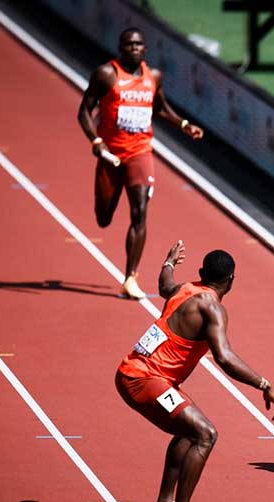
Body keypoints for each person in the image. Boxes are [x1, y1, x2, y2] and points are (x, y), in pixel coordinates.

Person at [115, 241, 274, 502]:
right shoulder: (212, 307)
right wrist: (264, 384)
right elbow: (225, 358)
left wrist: (168, 262)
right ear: (231, 280)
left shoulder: (185, 289)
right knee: (205, 434)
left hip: (138, 373)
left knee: (188, 430)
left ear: (202, 273)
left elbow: (165, 285)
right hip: (146, 379)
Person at [78, 28, 204, 300]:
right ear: (121, 48)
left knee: (140, 212)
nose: (134, 48)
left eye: (139, 44)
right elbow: (84, 110)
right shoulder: (106, 75)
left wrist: (183, 124)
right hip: (111, 154)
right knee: (103, 217)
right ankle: (106, 207)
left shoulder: (153, 77)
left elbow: (159, 107)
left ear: (145, 49)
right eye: (129, 44)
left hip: (140, 153)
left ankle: (130, 277)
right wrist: (96, 141)